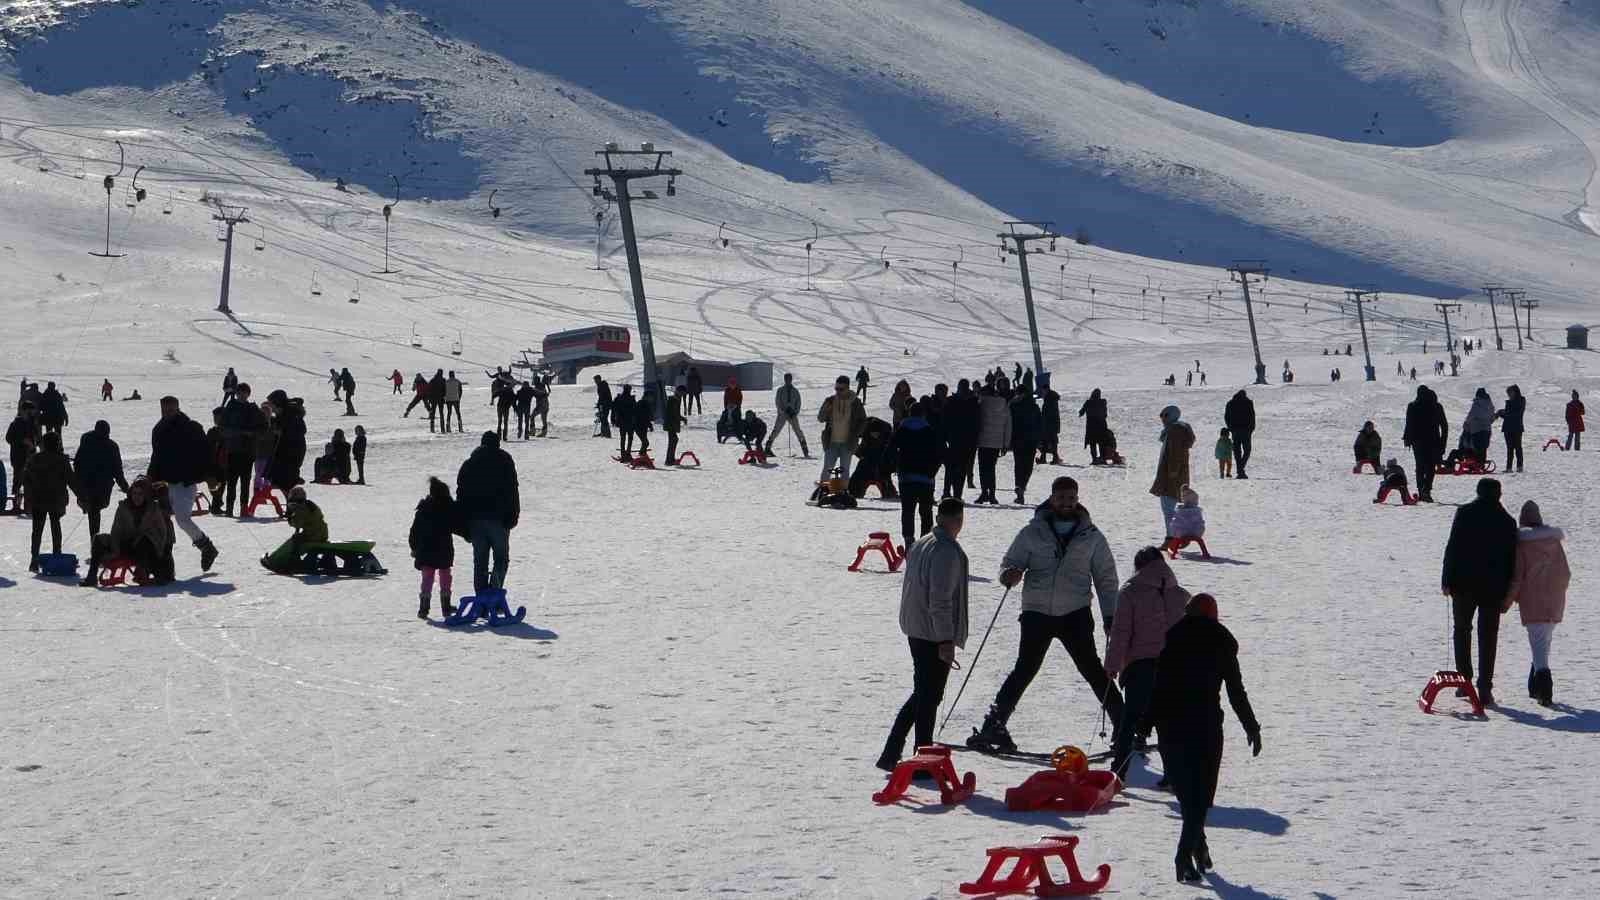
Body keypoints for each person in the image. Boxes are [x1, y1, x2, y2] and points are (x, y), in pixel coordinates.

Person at [968, 477, 1124, 752]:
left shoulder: (1092, 536)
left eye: (1071, 498)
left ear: (1077, 499)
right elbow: (1010, 562)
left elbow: (1106, 579)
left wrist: (1110, 616)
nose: (1067, 503)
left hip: (1075, 612)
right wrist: (1009, 575)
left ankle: (1124, 726)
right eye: (1062, 498)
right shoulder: (1032, 532)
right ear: (1052, 499)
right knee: (1025, 669)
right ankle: (994, 725)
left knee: (1092, 670)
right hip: (1036, 612)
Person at [1145, 593, 1261, 883]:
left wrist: (1143, 726)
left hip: (1170, 728)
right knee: (1199, 798)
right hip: (1205, 728)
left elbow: (1158, 689)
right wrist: (1252, 727)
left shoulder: (1173, 640)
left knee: (1187, 797)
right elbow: (1236, 691)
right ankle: (1183, 856)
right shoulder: (1220, 642)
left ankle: (1199, 846)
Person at [877, 498, 968, 770]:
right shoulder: (946, 551)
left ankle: (893, 752)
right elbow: (940, 599)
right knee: (928, 697)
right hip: (931, 633)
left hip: (916, 627)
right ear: (959, 520)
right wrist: (945, 639)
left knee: (923, 693)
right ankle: (921, 757)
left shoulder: (922, 542)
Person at [1104, 546, 1189, 779]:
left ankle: (1119, 771)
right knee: (1167, 721)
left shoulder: (1130, 592)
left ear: (1138, 567)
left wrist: (1112, 664)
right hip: (1173, 666)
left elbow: (1121, 632)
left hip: (1141, 664)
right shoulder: (1181, 594)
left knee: (1129, 719)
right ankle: (1172, 774)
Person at [1441, 478, 1518, 705]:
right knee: (1488, 637)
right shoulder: (1507, 521)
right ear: (1499, 494)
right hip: (1493, 588)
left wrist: (1446, 579)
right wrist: (1507, 592)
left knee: (1462, 630)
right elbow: (1511, 561)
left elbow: (1452, 547)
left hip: (1463, 584)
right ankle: (1484, 688)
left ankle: (1464, 681)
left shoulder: (1464, 513)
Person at [1504, 500, 1567, 706]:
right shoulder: (1554, 542)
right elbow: (1566, 573)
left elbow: (1517, 578)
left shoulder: (1523, 544)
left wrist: (1507, 601)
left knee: (1539, 646)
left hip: (1533, 602)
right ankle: (1534, 686)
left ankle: (1545, 691)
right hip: (1555, 601)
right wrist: (1557, 591)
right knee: (1544, 643)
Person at [148, 396, 219, 572]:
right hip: (165, 482)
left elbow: (206, 453)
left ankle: (206, 547)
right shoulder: (158, 429)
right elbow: (156, 456)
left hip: (185, 482)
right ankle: (160, 562)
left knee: (182, 519)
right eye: (164, 410)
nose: (167, 413)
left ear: (178, 408)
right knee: (160, 520)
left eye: (171, 410)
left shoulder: (191, 427)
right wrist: (151, 477)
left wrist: (211, 475)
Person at [80, 476, 175, 587]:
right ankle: (91, 577)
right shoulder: (123, 507)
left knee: (143, 540)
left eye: (140, 494)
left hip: (148, 549)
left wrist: (159, 551)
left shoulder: (153, 509)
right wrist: (115, 551)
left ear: (146, 495)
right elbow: (116, 531)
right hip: (127, 545)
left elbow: (161, 533)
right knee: (99, 539)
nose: (137, 497)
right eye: (134, 493)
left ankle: (144, 572)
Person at [456, 432, 520, 594]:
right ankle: (495, 592)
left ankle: (481, 598)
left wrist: (463, 523)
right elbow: (512, 490)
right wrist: (513, 516)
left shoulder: (469, 463)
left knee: (480, 562)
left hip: (475, 521)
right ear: (498, 444)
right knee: (501, 559)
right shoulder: (505, 461)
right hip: (499, 520)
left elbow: (461, 495)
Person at [887, 400, 942, 551]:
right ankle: (925, 542)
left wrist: (896, 466)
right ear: (923, 414)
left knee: (908, 511)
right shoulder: (929, 430)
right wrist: (932, 471)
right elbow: (939, 454)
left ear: (909, 413)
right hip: (926, 478)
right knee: (926, 511)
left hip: (906, 477)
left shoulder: (901, 429)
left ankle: (909, 540)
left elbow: (890, 450)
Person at [22, 431, 75, 571]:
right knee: (55, 525)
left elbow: (26, 480)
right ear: (57, 444)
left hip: (38, 500)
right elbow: (71, 480)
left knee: (37, 530)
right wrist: (82, 497)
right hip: (56, 500)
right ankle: (57, 554)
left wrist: (27, 498)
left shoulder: (35, 459)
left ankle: (34, 559)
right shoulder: (62, 460)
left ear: (44, 445)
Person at [409, 476, 456, 619]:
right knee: (445, 575)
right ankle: (446, 605)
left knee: (427, 578)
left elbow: (414, 531)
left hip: (425, 550)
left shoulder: (423, 510)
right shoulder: (448, 508)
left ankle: (424, 606)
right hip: (443, 549)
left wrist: (414, 547)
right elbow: (457, 524)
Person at [74, 420, 129, 537]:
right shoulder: (111, 446)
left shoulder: (86, 441)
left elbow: (77, 464)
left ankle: (94, 541)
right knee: (95, 512)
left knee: (93, 514)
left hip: (87, 486)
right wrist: (125, 488)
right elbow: (117, 471)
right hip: (101, 487)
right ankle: (95, 543)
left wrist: (78, 484)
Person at [220, 383, 265, 517]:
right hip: (233, 449)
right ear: (237, 393)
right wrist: (237, 433)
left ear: (248, 394)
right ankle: (229, 509)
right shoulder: (230, 407)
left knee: (245, 481)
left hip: (248, 450)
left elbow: (263, 427)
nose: (242, 395)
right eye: (240, 392)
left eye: (245, 392)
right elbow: (222, 426)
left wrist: (252, 434)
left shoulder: (253, 409)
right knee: (232, 481)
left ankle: (244, 509)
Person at [261, 486, 329, 572]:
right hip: (322, 532)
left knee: (293, 541)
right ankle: (293, 559)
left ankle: (277, 560)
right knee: (297, 538)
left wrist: (290, 518)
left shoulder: (301, 508)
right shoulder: (310, 505)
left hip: (313, 535)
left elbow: (298, 523)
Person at [1151, 405, 1195, 539]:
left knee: (1168, 510)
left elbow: (1175, 454)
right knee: (1170, 509)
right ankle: (1175, 537)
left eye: (1165, 416)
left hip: (1171, 477)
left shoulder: (1174, 430)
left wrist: (1173, 472)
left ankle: (1172, 538)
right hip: (1176, 475)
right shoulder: (1175, 430)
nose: (1162, 419)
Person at [817, 375, 867, 485]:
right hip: (832, 442)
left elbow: (863, 420)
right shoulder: (830, 401)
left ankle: (844, 493)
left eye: (841, 389)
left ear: (848, 388)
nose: (838, 391)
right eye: (836, 388)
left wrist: (856, 434)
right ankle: (822, 492)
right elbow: (820, 418)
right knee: (827, 469)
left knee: (845, 470)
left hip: (847, 443)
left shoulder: (855, 402)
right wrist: (827, 408)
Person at [1403, 385, 1448, 503]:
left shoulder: (1413, 406)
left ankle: (1421, 490)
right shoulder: (1437, 406)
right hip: (1434, 441)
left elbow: (1409, 424)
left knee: (1420, 466)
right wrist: (1443, 443)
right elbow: (1444, 426)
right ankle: (1426, 489)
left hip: (1418, 441)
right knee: (1431, 466)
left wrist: (1407, 438)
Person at [974, 378, 1011, 505]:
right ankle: (992, 494)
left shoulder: (981, 404)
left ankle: (984, 492)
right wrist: (1006, 443)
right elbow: (1008, 425)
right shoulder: (1004, 404)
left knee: (983, 468)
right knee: (991, 468)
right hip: (996, 443)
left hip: (983, 441)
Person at [941, 380, 980, 500]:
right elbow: (977, 422)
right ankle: (957, 494)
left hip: (954, 439)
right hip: (967, 440)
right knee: (962, 468)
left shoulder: (951, 401)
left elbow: (945, 420)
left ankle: (948, 492)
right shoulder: (973, 402)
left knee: (951, 467)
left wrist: (945, 436)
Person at [265, 390, 307, 493]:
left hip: (291, 454)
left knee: (286, 483)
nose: (272, 408)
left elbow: (299, 431)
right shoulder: (284, 415)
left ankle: (293, 506)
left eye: (272, 405)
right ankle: (291, 505)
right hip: (285, 454)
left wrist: (281, 431)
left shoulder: (291, 415)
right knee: (282, 483)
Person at [1009, 387, 1042, 505]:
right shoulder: (1034, 407)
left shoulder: (1013, 406)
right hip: (1031, 440)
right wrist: (1040, 440)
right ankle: (1022, 486)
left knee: (1019, 464)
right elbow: (1040, 424)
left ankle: (1019, 486)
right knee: (1028, 465)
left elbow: (1009, 423)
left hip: (1018, 439)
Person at [767, 373, 810, 458]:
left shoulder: (795, 391)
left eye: (789, 379)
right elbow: (778, 402)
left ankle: (805, 449)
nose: (788, 380)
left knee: (798, 431)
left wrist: (795, 412)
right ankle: (767, 448)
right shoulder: (780, 390)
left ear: (791, 380)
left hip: (792, 415)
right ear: (784, 379)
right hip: (782, 415)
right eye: (786, 379)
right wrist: (783, 411)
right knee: (776, 430)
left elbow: (798, 403)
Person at [6, 402, 37, 511]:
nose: (33, 412)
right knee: (19, 481)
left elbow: (35, 437)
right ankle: (16, 505)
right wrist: (23, 442)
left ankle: (26, 505)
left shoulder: (30, 422)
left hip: (27, 456)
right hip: (19, 456)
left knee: (27, 481)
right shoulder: (17, 423)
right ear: (25, 410)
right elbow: (9, 438)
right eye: (31, 410)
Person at [1223, 390, 1254, 478]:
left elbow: (1227, 417)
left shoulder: (1230, 403)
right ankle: (1240, 470)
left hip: (1235, 431)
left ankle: (1240, 469)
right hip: (1246, 431)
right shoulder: (1248, 402)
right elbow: (1252, 416)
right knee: (1247, 450)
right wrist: (1251, 428)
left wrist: (1230, 428)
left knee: (1237, 452)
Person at [1495, 385, 1526, 473]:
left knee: (1518, 447)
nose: (1509, 395)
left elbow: (1516, 414)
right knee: (1510, 448)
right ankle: (1509, 467)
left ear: (1515, 392)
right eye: (1508, 393)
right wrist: (1501, 413)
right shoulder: (1509, 402)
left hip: (1516, 427)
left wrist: (1503, 412)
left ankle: (1519, 466)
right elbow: (1508, 415)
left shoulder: (1521, 401)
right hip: (1508, 427)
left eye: (1510, 392)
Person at [1463, 387, 1494, 463]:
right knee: (1484, 448)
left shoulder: (1477, 404)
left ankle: (1476, 464)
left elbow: (1471, 415)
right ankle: (1481, 463)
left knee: (1476, 447)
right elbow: (1492, 417)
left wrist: (1466, 423)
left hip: (1477, 429)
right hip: (1487, 429)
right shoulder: (1490, 404)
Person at [1079, 388, 1110, 464]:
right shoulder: (1103, 402)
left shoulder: (1088, 402)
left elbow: (1081, 412)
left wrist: (1081, 413)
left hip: (1091, 426)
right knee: (1101, 443)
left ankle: (1094, 459)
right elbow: (1105, 414)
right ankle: (1102, 458)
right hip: (1101, 426)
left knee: (1092, 443)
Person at [1037, 388, 1062, 466]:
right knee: (1049, 441)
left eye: (1043, 392)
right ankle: (1047, 458)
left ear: (1046, 391)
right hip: (1051, 425)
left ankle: (1051, 458)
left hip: (1049, 425)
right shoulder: (1052, 400)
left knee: (1048, 441)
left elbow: (1047, 414)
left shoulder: (1049, 401)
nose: (1042, 394)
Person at [612, 384, 637, 458]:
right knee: (630, 438)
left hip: (622, 421)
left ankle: (623, 454)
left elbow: (614, 409)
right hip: (630, 421)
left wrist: (613, 419)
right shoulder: (631, 399)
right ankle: (628, 453)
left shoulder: (619, 398)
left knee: (623, 438)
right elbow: (635, 411)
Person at [663, 385, 686, 465]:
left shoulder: (676, 399)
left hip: (672, 423)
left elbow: (676, 413)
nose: (683, 395)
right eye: (682, 393)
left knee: (674, 440)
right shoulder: (674, 399)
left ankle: (670, 459)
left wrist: (681, 418)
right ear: (679, 391)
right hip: (671, 424)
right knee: (673, 440)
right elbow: (674, 413)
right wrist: (681, 418)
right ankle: (669, 460)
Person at [633, 389, 655, 456]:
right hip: (639, 426)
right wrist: (649, 425)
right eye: (651, 397)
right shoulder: (641, 403)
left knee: (644, 442)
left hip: (643, 426)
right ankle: (642, 454)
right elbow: (642, 416)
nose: (652, 399)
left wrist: (650, 425)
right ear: (646, 397)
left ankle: (643, 454)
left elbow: (647, 417)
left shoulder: (647, 404)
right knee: (645, 442)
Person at [427, 369, 448, 433]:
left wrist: (429, 399)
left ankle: (432, 428)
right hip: (441, 399)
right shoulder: (443, 380)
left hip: (433, 399)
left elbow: (428, 390)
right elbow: (445, 390)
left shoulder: (432, 380)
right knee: (441, 414)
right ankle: (442, 429)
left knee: (433, 414)